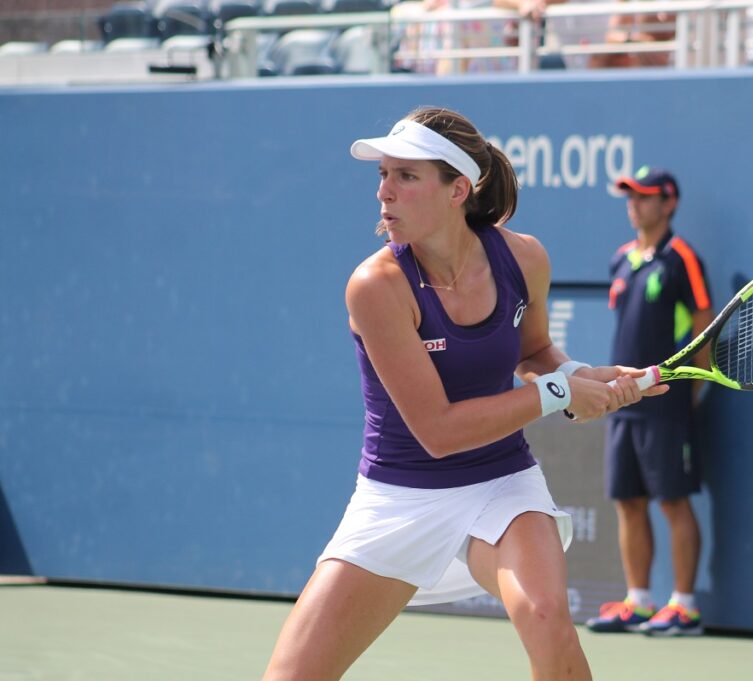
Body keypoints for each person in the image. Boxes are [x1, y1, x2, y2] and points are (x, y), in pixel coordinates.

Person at [261, 107, 666, 681]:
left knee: (547, 616)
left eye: (405, 176)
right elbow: (440, 431)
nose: (383, 192)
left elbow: (533, 350)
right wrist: (558, 390)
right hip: (397, 496)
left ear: (457, 189)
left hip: (500, 483)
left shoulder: (523, 257)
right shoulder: (376, 286)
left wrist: (583, 374)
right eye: (382, 175)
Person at [584, 166, 713, 637]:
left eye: (643, 196)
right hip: (623, 402)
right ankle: (638, 600)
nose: (633, 204)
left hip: (667, 402)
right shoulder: (621, 259)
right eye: (629, 196)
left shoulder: (683, 259)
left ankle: (684, 605)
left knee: (673, 502)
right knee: (627, 502)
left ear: (669, 202)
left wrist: (689, 391)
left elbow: (704, 327)